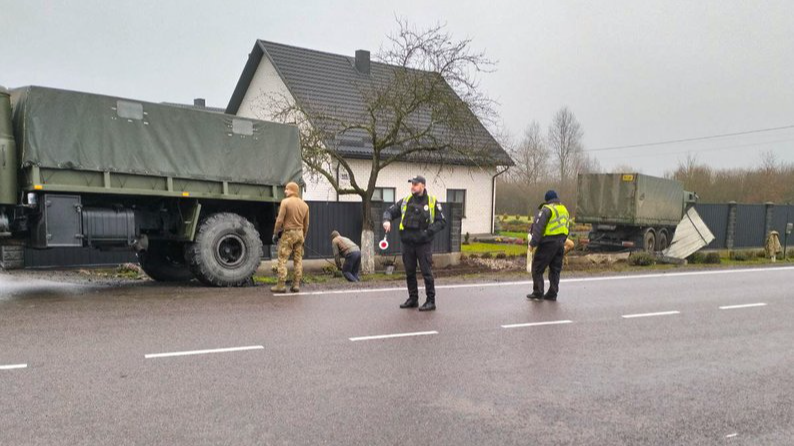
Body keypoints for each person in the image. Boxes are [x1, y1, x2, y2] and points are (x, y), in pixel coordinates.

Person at [383, 175, 446, 311]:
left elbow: (442, 221)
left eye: (415, 184)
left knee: (426, 272)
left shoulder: (431, 202)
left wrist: (429, 232)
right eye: (412, 184)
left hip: (423, 244)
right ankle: (413, 299)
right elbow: (390, 211)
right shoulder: (405, 201)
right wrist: (386, 220)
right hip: (408, 244)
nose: (412, 186)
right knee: (409, 273)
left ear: (423, 185)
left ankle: (430, 301)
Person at [527, 190, 570, 302]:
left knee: (537, 267)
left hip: (548, 243)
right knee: (555, 269)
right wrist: (563, 240)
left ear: (547, 200)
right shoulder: (564, 209)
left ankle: (538, 292)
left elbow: (538, 228)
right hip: (560, 242)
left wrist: (532, 244)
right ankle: (552, 293)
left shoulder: (547, 209)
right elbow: (567, 227)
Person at [271, 182, 309, 293]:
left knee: (282, 259)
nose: (285, 191)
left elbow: (279, 220)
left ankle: (281, 285)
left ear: (292, 190)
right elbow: (306, 225)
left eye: (287, 189)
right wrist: (304, 237)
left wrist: (275, 233)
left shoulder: (285, 202)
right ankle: (296, 284)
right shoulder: (305, 205)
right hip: (300, 234)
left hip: (288, 234)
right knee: (298, 260)